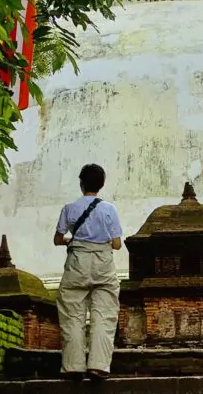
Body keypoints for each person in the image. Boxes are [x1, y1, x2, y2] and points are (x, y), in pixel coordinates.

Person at [53, 163, 123, 381]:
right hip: (103, 263)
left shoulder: (69, 208)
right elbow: (117, 243)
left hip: (77, 262)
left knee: (72, 315)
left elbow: (57, 239)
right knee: (104, 315)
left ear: (81, 183)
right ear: (101, 185)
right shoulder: (109, 209)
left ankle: (73, 366)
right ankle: (99, 366)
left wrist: (72, 240)